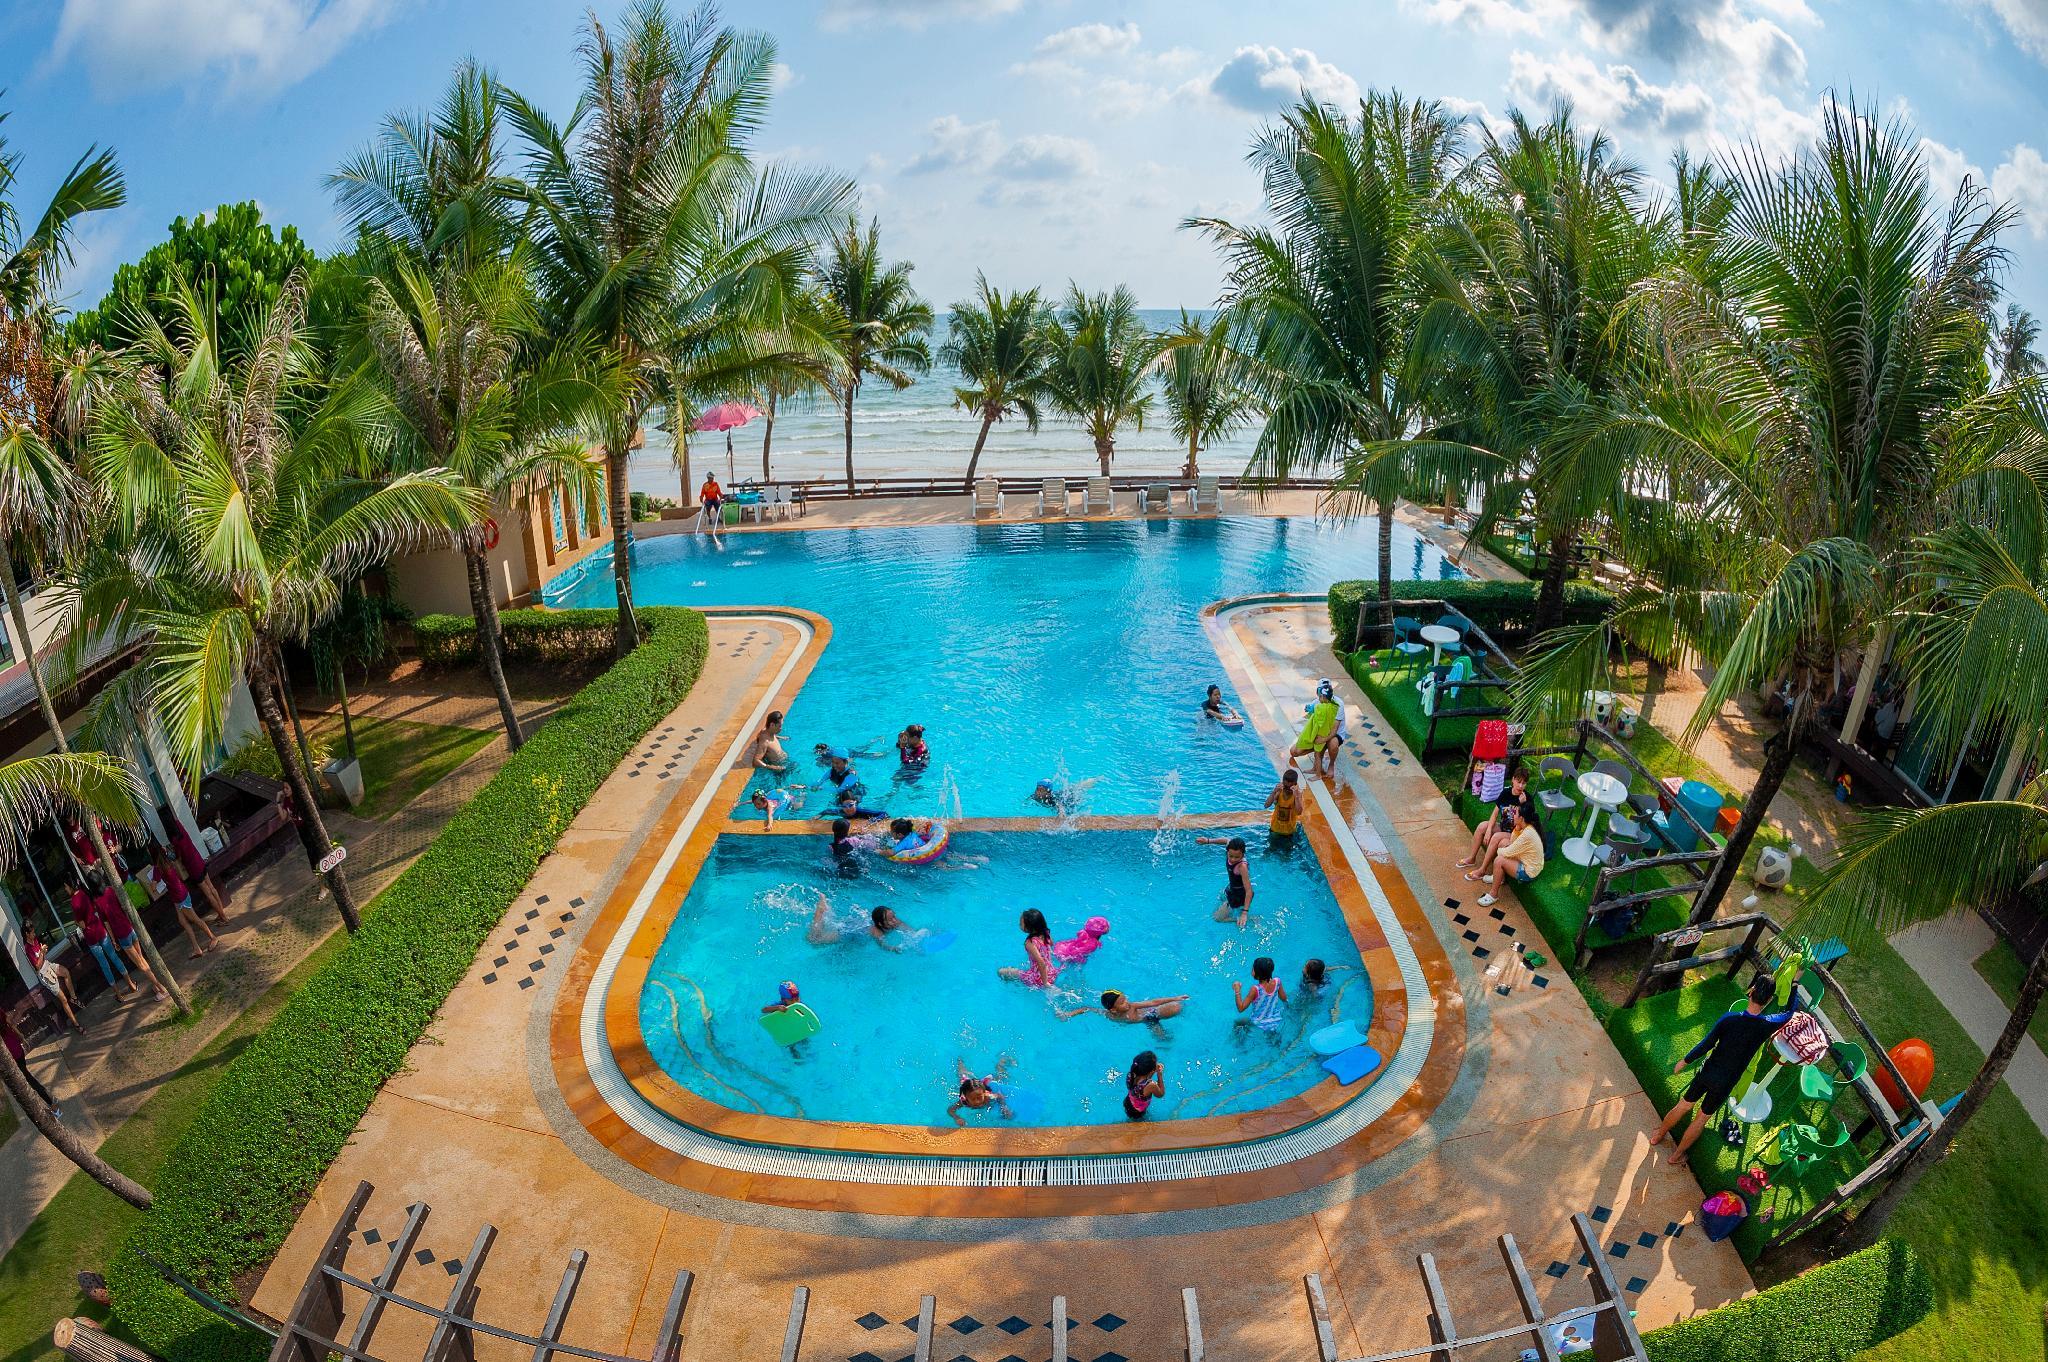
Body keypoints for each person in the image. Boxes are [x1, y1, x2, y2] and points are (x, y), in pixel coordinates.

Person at [1651, 975, 1794, 1163]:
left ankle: (1658, 1136)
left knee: (1684, 1105)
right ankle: (1676, 1156)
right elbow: (1790, 1012)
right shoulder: (1766, 1025)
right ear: (1768, 1000)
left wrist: (1685, 1061)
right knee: (1701, 1119)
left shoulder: (1729, 1018)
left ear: (1750, 992)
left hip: (1708, 1071)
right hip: (1726, 1082)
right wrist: (1796, 984)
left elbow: (1707, 1044)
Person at [92, 874, 165, 1001]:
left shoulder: (97, 902)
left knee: (140, 964)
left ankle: (161, 988)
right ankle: (156, 985)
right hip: (129, 928)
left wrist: (113, 940)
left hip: (121, 935)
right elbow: (124, 906)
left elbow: (106, 923)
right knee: (141, 958)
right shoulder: (111, 890)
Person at [1458, 767, 1534, 873]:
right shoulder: (1506, 792)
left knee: (1497, 837)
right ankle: (1471, 858)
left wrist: (1523, 804)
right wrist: (1489, 830)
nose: (1521, 786)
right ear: (1513, 780)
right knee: (1482, 826)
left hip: (1516, 834)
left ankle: (1482, 870)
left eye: (1524, 783)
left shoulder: (1527, 799)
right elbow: (1495, 813)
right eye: (1518, 781)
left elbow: (1526, 824)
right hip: (1503, 827)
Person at [149, 846, 217, 959]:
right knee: (183, 922)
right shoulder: (167, 861)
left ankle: (213, 937)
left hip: (179, 897)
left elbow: (153, 888)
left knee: (195, 920)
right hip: (179, 894)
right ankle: (196, 948)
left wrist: (151, 881)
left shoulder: (157, 868)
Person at [69, 884, 133, 998]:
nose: (65, 889)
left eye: (65, 887)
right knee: (114, 957)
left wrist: (76, 922)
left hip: (91, 936)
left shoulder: (74, 902)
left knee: (104, 965)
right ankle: (131, 984)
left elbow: (82, 925)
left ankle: (118, 994)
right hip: (100, 929)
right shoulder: (84, 892)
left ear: (68, 886)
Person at [1474, 804, 1543, 908]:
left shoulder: (1528, 834)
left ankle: (1493, 895)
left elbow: (1507, 853)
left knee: (1499, 860)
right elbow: (1512, 841)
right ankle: (1499, 878)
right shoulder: (1525, 826)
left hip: (1529, 871)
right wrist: (1517, 827)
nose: (1512, 815)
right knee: (1503, 842)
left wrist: (1498, 850)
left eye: (1515, 813)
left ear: (1521, 818)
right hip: (1525, 859)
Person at [168, 818, 229, 924]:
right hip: (199, 860)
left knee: (208, 893)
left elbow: (179, 857)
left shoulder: (175, 841)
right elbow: (177, 821)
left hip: (193, 867)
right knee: (211, 887)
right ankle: (221, 912)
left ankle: (223, 917)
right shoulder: (182, 830)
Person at [806, 893, 910, 950]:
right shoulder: (877, 931)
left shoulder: (894, 922)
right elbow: (883, 945)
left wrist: (915, 934)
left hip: (858, 924)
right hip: (847, 932)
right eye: (890, 919)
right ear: (880, 924)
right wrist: (893, 948)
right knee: (814, 940)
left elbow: (907, 929)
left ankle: (826, 911)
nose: (895, 921)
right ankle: (821, 909)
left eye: (894, 917)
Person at [1, 1015, 58, 1119]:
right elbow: (10, 1023)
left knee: (27, 1080)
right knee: (27, 1077)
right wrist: (22, 1037)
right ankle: (50, 1099)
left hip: (11, 1054)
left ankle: (51, 1103)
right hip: (16, 1048)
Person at [1290, 678, 1346, 779]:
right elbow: (1312, 721)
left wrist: (1322, 740)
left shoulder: (1337, 705)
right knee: (1294, 752)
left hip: (1333, 734)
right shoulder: (1317, 703)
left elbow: (1334, 730)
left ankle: (1330, 765)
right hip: (1320, 733)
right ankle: (1319, 755)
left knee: (1332, 745)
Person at [1194, 834, 1254, 926]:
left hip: (1239, 894)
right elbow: (1226, 840)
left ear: (1243, 854)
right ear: (1227, 852)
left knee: (1218, 918)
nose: (1233, 859)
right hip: (1231, 887)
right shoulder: (1231, 847)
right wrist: (1208, 841)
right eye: (1230, 856)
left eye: (1237, 857)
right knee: (1222, 897)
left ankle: (1247, 919)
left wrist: (1244, 913)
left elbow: (1249, 891)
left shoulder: (1242, 867)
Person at [26, 931, 81, 1031]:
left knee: (65, 972)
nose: (34, 934)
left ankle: (73, 997)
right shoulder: (27, 949)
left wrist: (44, 951)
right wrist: (42, 952)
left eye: (34, 932)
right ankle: (76, 1024)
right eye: (32, 932)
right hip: (44, 973)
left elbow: (42, 958)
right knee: (63, 999)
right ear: (27, 933)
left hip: (48, 965)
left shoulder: (35, 941)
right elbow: (37, 966)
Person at [997, 909, 1059, 987]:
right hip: (1052, 973)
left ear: (1029, 927)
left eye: (1021, 924)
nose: (1019, 924)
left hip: (1038, 978)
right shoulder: (1046, 933)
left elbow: (1041, 962)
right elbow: (1051, 944)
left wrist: (1045, 983)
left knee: (1001, 972)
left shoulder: (1030, 943)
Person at [1057, 988, 1188, 1025]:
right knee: (1163, 1040)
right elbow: (1086, 1009)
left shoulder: (1133, 1006)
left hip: (1151, 1014)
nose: (1128, 1002)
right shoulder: (1108, 1014)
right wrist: (1068, 1014)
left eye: (1125, 999)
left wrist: (1175, 997)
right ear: (1113, 1009)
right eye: (1123, 1002)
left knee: (1177, 1007)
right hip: (1147, 1022)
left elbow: (1153, 1002)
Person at [948, 1058, 1015, 1126]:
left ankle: (1003, 1061)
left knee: (1000, 1076)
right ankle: (960, 1061)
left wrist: (1004, 1107)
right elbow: (950, 1110)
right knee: (962, 1074)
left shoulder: (987, 1096)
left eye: (979, 1097)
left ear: (984, 1094)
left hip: (983, 1087)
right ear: (966, 1098)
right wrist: (957, 1118)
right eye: (973, 1099)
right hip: (970, 1087)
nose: (977, 1101)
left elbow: (1000, 1096)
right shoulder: (964, 1102)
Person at [1233, 956, 1288, 1033]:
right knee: (1272, 1037)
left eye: (1253, 968)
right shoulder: (1277, 981)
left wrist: (1237, 990)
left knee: (1238, 1023)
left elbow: (1241, 1008)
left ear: (1257, 974)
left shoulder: (1255, 989)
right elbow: (1284, 998)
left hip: (1259, 1023)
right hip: (1275, 1019)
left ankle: (1239, 1042)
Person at [1123, 1050, 1165, 1121]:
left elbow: (1144, 1082)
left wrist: (1153, 1070)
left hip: (1128, 1102)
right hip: (1138, 1111)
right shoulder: (1151, 1085)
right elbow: (1161, 1094)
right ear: (1151, 1070)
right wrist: (1159, 1075)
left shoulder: (1132, 1074)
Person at [1265, 769, 1304, 839]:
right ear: (1283, 783)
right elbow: (1266, 805)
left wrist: (1296, 797)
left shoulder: (1297, 794)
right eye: (1286, 787)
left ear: (1295, 785)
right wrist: (1274, 792)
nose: (1287, 789)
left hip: (1289, 831)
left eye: (1290, 787)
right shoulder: (1279, 790)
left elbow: (1299, 812)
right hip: (1275, 829)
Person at [1028, 776, 1099, 814]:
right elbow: (1026, 802)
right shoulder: (1034, 796)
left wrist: (1061, 817)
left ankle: (1093, 780)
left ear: (1048, 792)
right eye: (1037, 789)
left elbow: (1061, 808)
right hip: (1061, 793)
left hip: (1069, 798)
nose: (1038, 792)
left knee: (1077, 791)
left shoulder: (1052, 799)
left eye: (1041, 790)